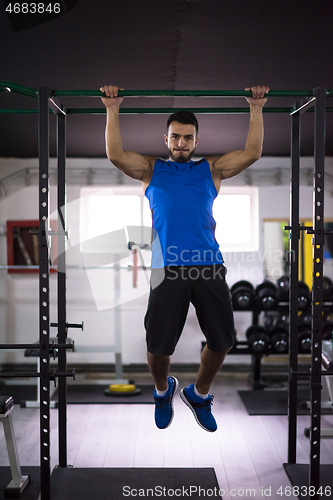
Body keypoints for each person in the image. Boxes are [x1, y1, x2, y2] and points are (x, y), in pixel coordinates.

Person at [100, 84, 269, 432]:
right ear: (166, 139)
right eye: (175, 137)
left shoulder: (212, 170)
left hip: (208, 266)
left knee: (222, 342)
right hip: (167, 269)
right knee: (158, 347)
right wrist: (112, 108)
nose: (181, 143)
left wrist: (256, 107)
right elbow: (116, 154)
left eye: (188, 138)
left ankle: (199, 393)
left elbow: (252, 152)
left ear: (196, 141)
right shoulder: (151, 169)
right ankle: (163, 391)